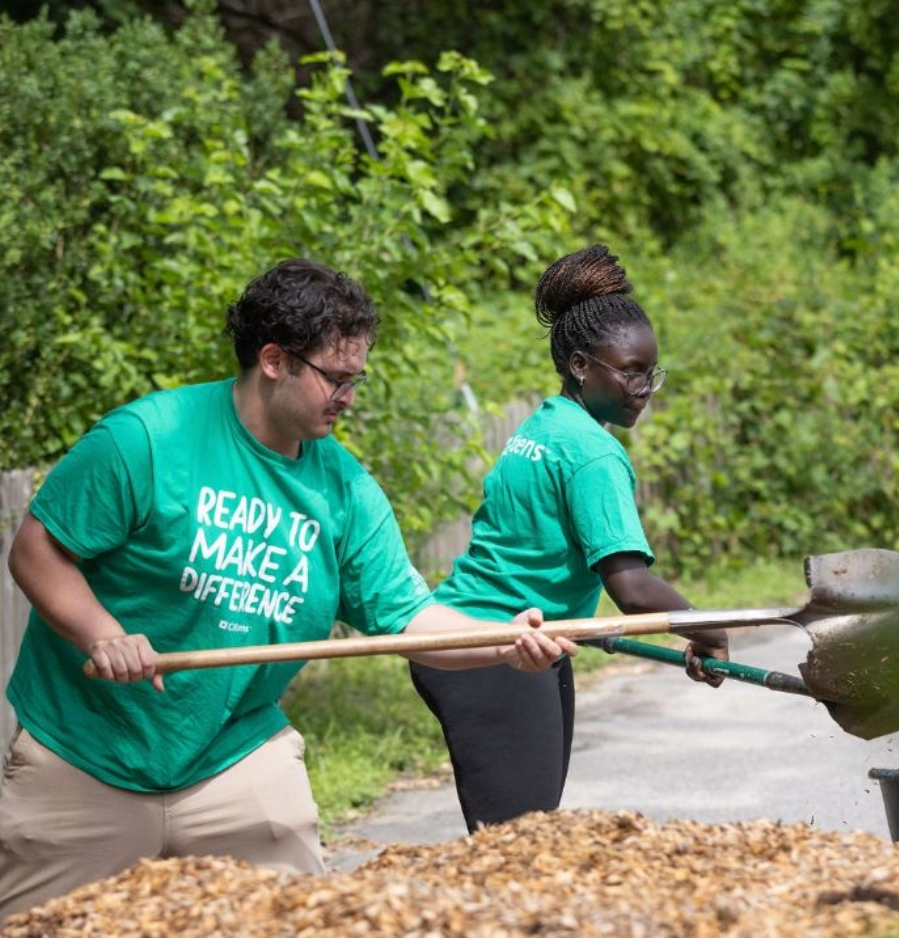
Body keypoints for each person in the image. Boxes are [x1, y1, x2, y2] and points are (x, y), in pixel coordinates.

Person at [0, 258, 577, 922]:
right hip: (84, 754)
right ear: (274, 360)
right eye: (337, 377)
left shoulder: (345, 490)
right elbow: (37, 548)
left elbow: (412, 622)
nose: (350, 397)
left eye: (357, 378)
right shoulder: (148, 440)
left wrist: (506, 644)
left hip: (233, 756)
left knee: (302, 920)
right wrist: (101, 633)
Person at [410, 244, 730, 833]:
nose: (644, 387)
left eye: (650, 372)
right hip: (497, 650)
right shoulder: (592, 453)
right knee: (518, 847)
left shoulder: (546, 425)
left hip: (497, 636)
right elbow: (630, 587)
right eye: (630, 371)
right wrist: (711, 631)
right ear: (582, 365)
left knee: (524, 837)